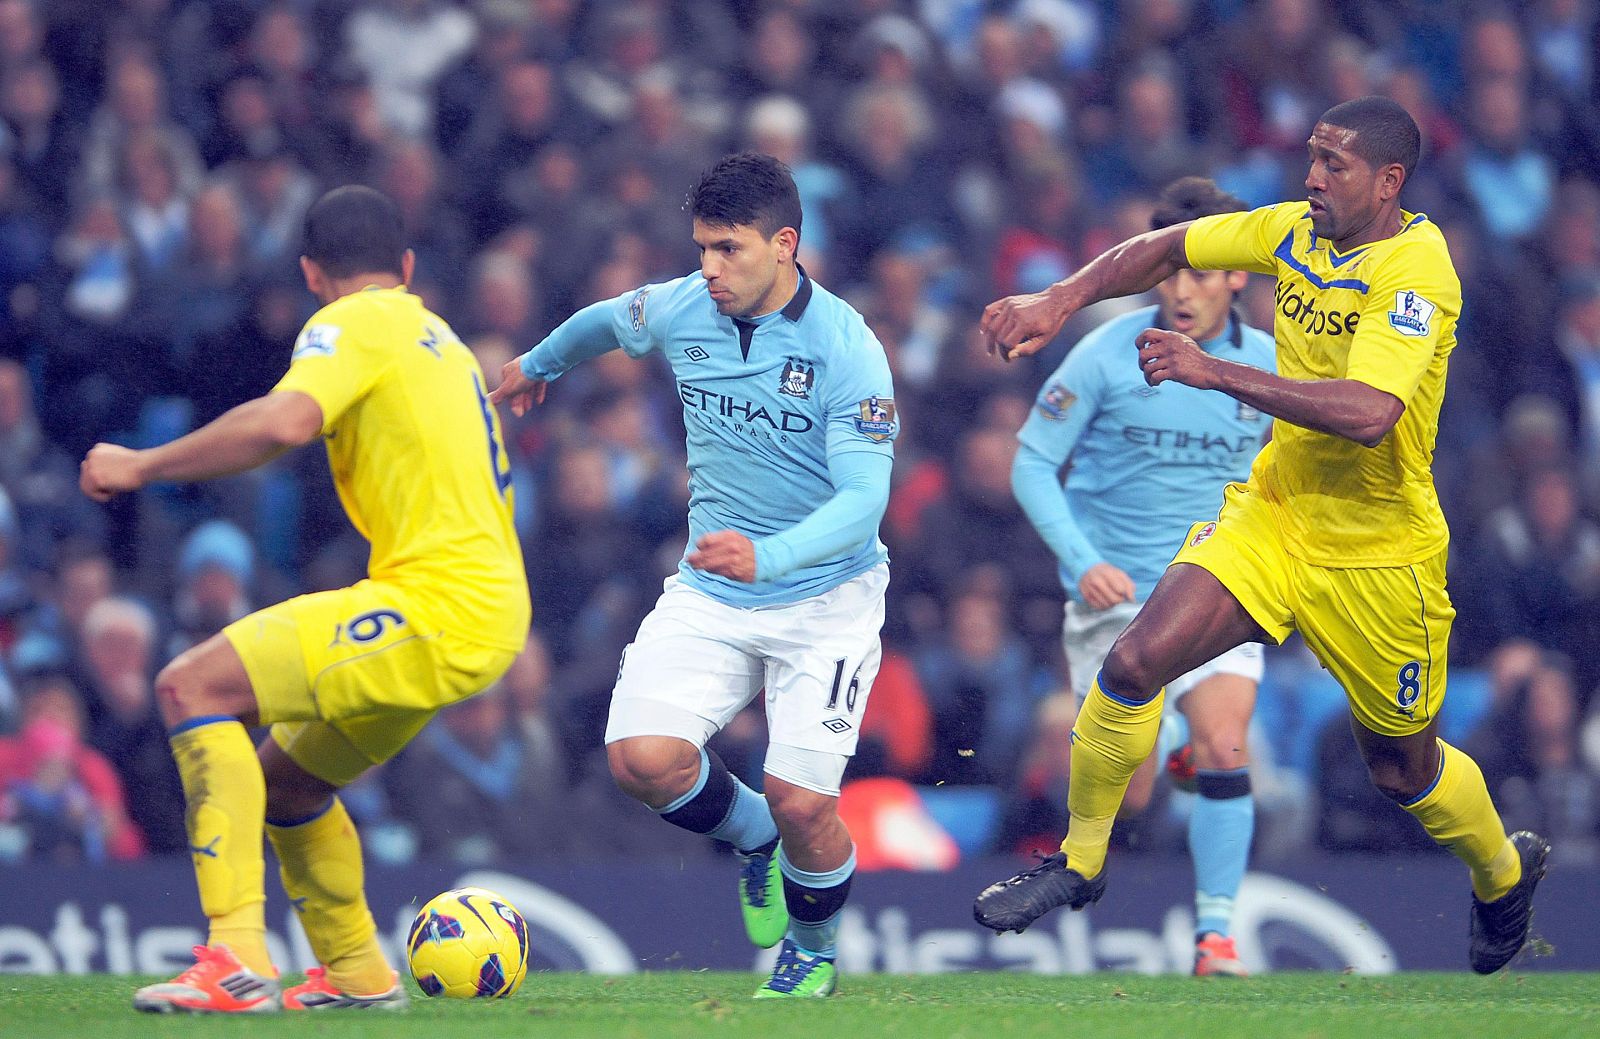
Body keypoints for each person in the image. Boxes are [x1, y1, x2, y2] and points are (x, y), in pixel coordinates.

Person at [971, 96, 1548, 976]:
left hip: (1379, 554)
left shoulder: (1416, 271)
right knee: (1132, 665)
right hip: (1276, 515)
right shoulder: (1294, 232)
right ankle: (1080, 861)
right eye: (1312, 157)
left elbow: (1370, 414)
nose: (1312, 177)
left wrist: (1213, 371)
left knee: (1404, 769)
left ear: (1390, 181)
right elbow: (1171, 246)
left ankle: (1503, 872)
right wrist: (1060, 297)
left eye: (1336, 165)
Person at [79, 185, 530, 1012]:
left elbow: (287, 421)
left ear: (312, 274)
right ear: (406, 266)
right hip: (477, 604)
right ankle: (358, 971)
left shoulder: (353, 322)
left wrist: (142, 465)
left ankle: (237, 957)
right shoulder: (442, 337)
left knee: (191, 685)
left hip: (437, 604)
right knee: (288, 783)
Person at [491, 152, 897, 999]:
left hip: (827, 597)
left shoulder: (848, 349)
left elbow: (865, 500)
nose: (709, 268)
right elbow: (606, 320)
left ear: (785, 244)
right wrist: (538, 364)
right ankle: (752, 838)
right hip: (714, 588)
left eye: (729, 250)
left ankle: (812, 948)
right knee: (642, 760)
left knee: (805, 800)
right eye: (702, 248)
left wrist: (772, 553)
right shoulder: (683, 306)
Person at [1011, 176, 1276, 976]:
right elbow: (1030, 463)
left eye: (1200, 269)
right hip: (1117, 599)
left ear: (1237, 274)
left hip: (1218, 587)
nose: (1182, 287)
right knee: (1130, 792)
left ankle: (1216, 937)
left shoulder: (1269, 369)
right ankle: (1166, 759)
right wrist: (1082, 561)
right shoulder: (1104, 352)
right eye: (1169, 269)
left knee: (1230, 745)